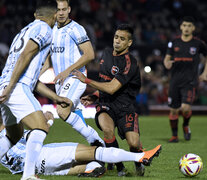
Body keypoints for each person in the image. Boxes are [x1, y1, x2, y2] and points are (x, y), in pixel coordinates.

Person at [0, 1, 71, 180]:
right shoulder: (44, 30)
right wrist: (11, 87)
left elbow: (31, 78)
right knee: (40, 127)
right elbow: (25, 56)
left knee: (13, 136)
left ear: (35, 15)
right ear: (54, 16)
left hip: (7, 85)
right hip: (15, 87)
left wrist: (55, 97)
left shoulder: (23, 31)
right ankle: (29, 176)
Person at [72, 24, 146, 176]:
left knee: (133, 143)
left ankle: (138, 160)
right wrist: (95, 96)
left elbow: (112, 88)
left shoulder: (130, 63)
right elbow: (105, 83)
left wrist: (86, 81)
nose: (117, 41)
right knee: (107, 129)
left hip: (125, 106)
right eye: (116, 37)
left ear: (129, 43)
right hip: (105, 104)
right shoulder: (105, 53)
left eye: (122, 39)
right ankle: (120, 168)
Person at [0, 111, 162, 177]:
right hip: (45, 155)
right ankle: (140, 156)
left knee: (88, 164)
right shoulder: (11, 134)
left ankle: (91, 168)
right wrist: (48, 119)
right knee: (95, 151)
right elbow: (39, 132)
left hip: (39, 170)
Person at [41, 0, 104, 147]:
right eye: (58, 10)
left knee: (62, 111)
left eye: (64, 9)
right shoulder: (51, 29)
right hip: (61, 81)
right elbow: (50, 58)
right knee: (76, 117)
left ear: (69, 9)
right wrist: (35, 74)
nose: (61, 13)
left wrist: (67, 71)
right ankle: (101, 147)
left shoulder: (76, 29)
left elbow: (89, 54)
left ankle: (100, 145)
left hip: (75, 77)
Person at [163, 16, 207, 143]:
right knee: (173, 109)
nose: (186, 28)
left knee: (185, 108)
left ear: (193, 28)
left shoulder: (198, 43)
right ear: (181, 27)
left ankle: (186, 125)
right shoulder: (174, 42)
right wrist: (166, 63)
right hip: (175, 81)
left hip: (190, 81)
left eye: (189, 26)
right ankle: (174, 136)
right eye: (184, 25)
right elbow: (167, 58)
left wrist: (205, 73)